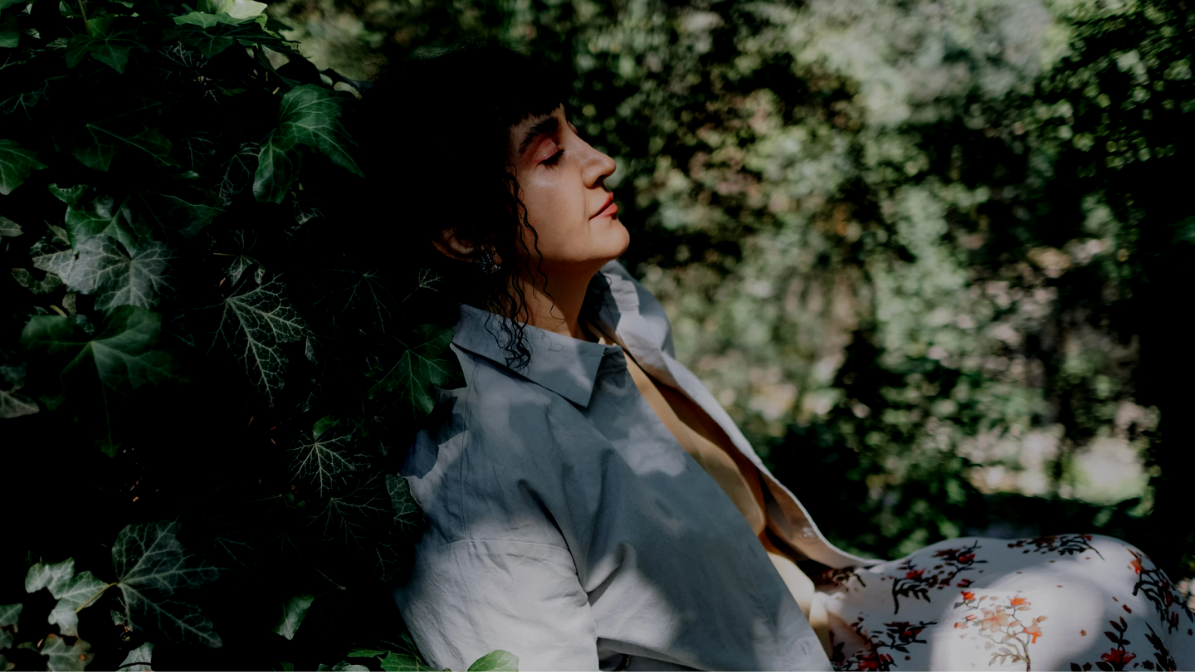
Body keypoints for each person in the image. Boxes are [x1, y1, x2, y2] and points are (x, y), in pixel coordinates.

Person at [352, 43, 1195, 671]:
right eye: (550, 154)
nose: (600, 160)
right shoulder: (473, 467)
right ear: (464, 235)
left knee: (1119, 572)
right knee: (1085, 636)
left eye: (577, 134)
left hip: (827, 612)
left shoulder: (617, 310)